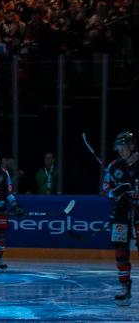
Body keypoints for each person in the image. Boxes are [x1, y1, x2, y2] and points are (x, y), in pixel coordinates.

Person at [102, 131, 139, 306]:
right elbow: (105, 190)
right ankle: (125, 288)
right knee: (120, 251)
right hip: (121, 211)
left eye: (123, 146)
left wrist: (133, 192)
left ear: (132, 146)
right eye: (118, 147)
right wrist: (114, 192)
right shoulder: (114, 166)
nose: (120, 150)